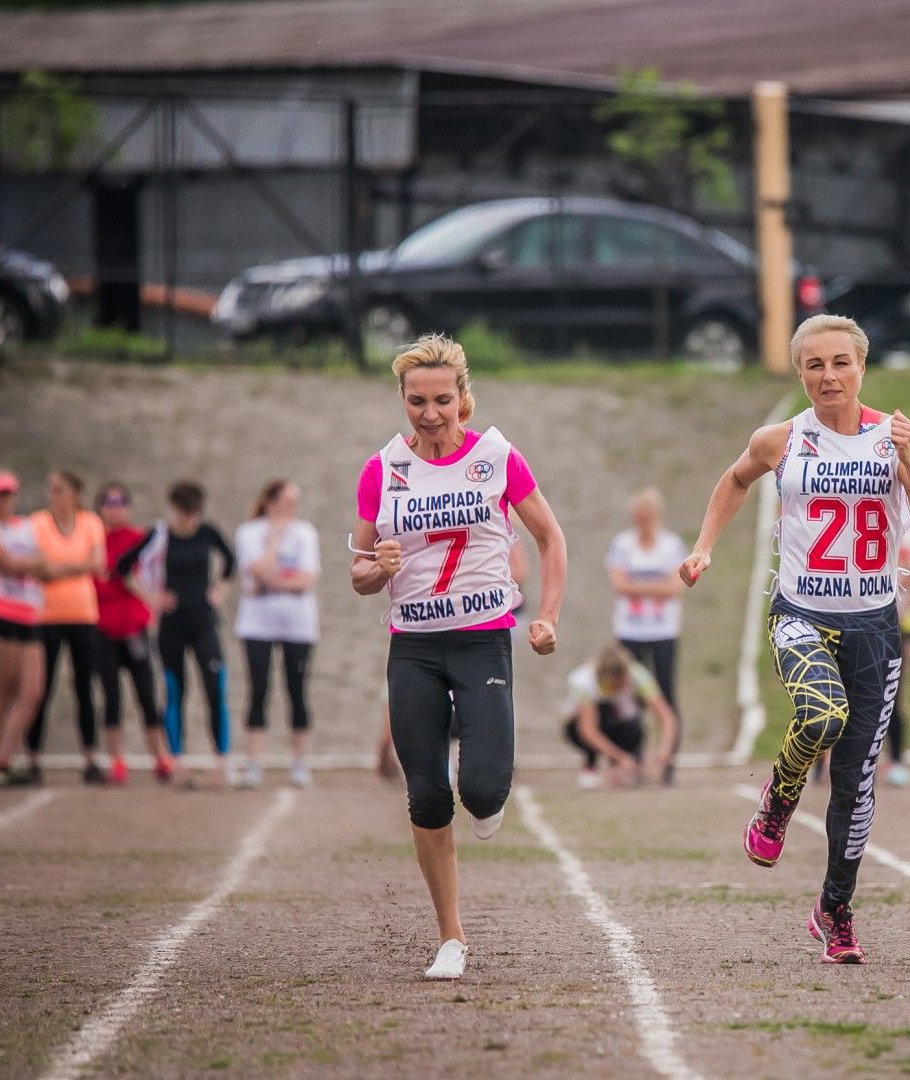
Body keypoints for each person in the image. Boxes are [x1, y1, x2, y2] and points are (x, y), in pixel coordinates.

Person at [680, 314, 910, 965]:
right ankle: (780, 796)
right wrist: (704, 546)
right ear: (800, 372)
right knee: (822, 714)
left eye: (840, 363)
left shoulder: (895, 436)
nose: (828, 376)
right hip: (801, 611)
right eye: (814, 365)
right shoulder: (780, 439)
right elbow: (735, 479)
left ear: (862, 366)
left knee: (856, 785)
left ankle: (834, 908)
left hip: (875, 625)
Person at [350, 333, 566, 981]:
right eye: (417, 401)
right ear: (403, 400)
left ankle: (487, 786)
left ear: (462, 399)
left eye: (442, 400)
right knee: (425, 794)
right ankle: (451, 936)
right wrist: (378, 566)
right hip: (413, 646)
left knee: (482, 790)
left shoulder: (497, 457)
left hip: (481, 639)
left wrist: (548, 615)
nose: (430, 413)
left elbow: (550, 537)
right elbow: (359, 575)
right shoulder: (382, 469)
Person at [116, 480, 236, 789]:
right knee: (174, 692)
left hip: (204, 623)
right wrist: (150, 596)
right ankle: (178, 762)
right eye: (184, 512)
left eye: (194, 512)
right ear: (174, 509)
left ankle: (221, 762)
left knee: (215, 687)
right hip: (172, 625)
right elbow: (123, 566)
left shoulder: (207, 532)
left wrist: (219, 590)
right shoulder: (159, 536)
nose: (189, 519)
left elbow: (231, 561)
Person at [234, 479, 320, 790]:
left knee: (297, 690)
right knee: (258, 689)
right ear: (270, 501)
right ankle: (254, 763)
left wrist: (270, 582)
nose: (291, 508)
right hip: (257, 624)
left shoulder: (306, 532)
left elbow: (307, 579)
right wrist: (274, 538)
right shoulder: (249, 532)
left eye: (294, 501)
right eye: (286, 501)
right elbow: (257, 569)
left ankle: (299, 763)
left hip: (299, 625)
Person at [28, 470, 107, 783]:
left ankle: (90, 757)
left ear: (75, 493)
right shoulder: (37, 523)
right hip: (45, 616)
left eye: (60, 489)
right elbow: (40, 569)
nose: (54, 495)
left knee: (85, 688)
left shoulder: (90, 522)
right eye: (51, 489)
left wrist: (58, 568)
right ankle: (33, 758)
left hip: (83, 615)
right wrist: (78, 566)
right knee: (41, 689)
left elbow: (98, 564)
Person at [93, 482, 173, 784]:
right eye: (109, 503)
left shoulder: (139, 539)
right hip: (103, 628)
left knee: (147, 695)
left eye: (121, 502)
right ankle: (117, 761)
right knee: (111, 696)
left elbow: (148, 572)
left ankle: (161, 757)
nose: (116, 509)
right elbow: (99, 578)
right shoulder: (94, 540)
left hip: (135, 627)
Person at [606, 487, 687, 781]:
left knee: (666, 694)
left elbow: (675, 588)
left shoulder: (671, 545)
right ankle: (635, 761)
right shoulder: (622, 544)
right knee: (629, 697)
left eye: (647, 515)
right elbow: (619, 585)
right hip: (630, 630)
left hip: (663, 630)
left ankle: (668, 763)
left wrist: (637, 586)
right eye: (639, 516)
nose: (643, 521)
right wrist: (657, 587)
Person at [0, 471, 51, 787]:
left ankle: (4, 758)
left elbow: (44, 562)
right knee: (1, 690)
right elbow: (7, 564)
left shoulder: (24, 527)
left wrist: (23, 564)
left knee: (32, 690)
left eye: (9, 494)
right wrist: (27, 564)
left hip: (29, 614)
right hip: (0, 612)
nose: (5, 500)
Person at [562, 644, 678, 787]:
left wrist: (664, 751)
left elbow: (666, 716)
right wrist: (621, 758)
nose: (619, 688)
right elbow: (588, 730)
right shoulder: (584, 681)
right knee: (602, 711)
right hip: (579, 727)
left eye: (622, 683)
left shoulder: (639, 676)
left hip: (620, 721)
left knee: (634, 726)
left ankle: (627, 768)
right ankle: (591, 766)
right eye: (614, 685)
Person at [881, 524, 910, 788]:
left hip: (899, 622)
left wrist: (900, 610)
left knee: (892, 691)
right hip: (872, 617)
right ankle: (830, 763)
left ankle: (896, 759)